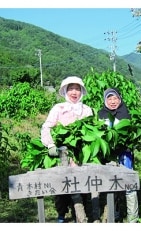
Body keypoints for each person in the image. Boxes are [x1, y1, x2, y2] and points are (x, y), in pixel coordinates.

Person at [41, 76, 100, 223]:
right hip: (63, 153)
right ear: (66, 91)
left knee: (83, 185)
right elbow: (46, 127)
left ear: (81, 92)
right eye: (71, 88)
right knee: (63, 185)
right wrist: (50, 145)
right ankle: (62, 215)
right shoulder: (58, 108)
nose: (74, 92)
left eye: (77, 89)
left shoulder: (87, 110)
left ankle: (83, 216)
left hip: (83, 153)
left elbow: (92, 130)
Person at [98, 87, 139, 223]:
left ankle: (132, 217)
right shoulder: (101, 114)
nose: (112, 101)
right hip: (108, 156)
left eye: (115, 98)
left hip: (124, 154)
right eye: (109, 98)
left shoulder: (125, 113)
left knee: (128, 182)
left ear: (120, 99)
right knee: (111, 183)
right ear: (105, 101)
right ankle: (114, 215)